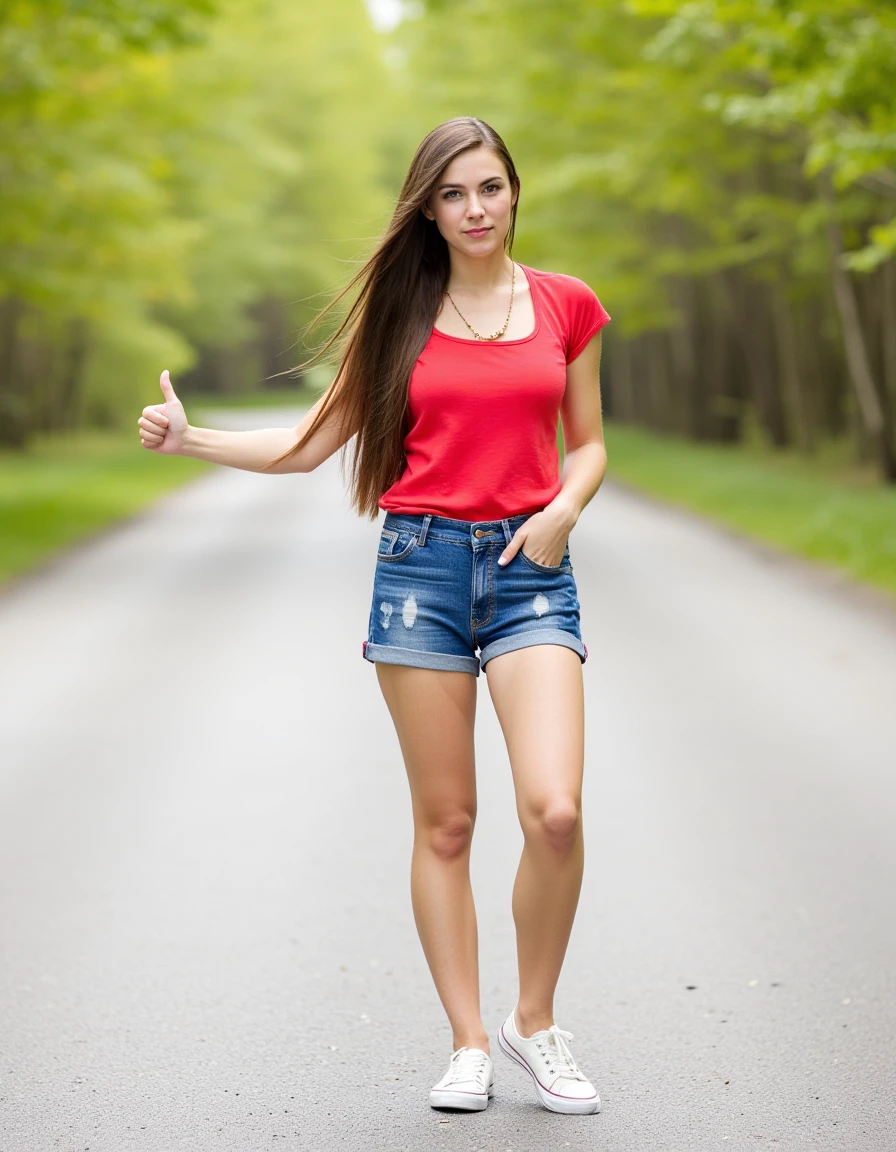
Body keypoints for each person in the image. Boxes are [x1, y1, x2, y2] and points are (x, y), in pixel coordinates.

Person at [137, 116, 610, 1117]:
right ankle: (468, 1042)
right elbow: (311, 444)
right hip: (418, 573)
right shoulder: (402, 316)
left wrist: (563, 510)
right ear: (426, 208)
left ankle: (535, 1020)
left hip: (531, 572)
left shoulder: (566, 305)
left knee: (555, 812)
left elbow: (588, 445)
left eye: (488, 188)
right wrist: (189, 441)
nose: (474, 209)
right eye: (452, 194)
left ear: (514, 190)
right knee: (446, 824)